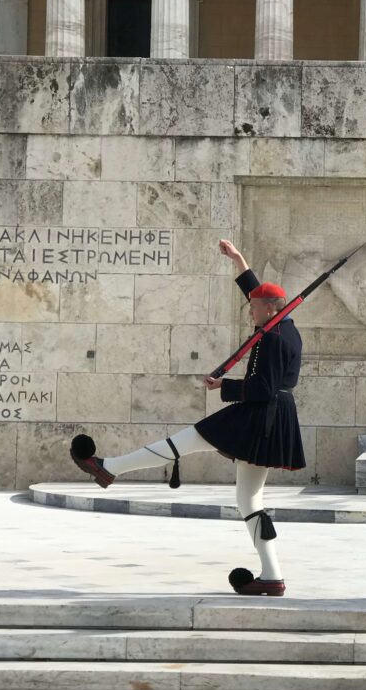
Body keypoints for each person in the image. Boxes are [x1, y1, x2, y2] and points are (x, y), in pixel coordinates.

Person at [70, 239, 305, 597]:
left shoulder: (274, 339)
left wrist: (222, 386)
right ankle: (272, 576)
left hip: (259, 416)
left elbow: (262, 388)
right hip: (272, 419)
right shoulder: (282, 326)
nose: (249, 313)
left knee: (188, 440)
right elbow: (256, 293)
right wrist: (239, 261)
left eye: (253, 309)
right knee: (249, 501)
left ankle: (109, 467)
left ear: (270, 309)